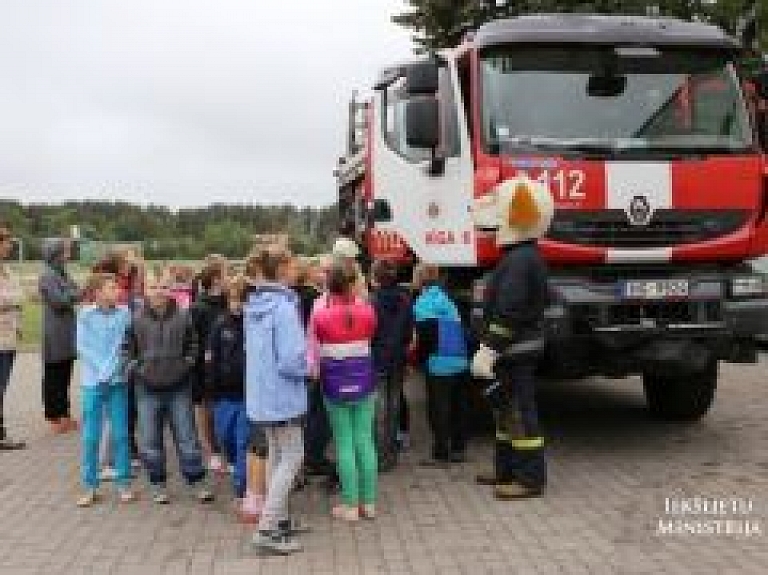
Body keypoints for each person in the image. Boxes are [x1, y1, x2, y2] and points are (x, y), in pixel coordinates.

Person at [471, 176, 554, 499]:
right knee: (506, 413)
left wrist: (489, 350)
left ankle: (530, 479)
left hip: (515, 350)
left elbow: (510, 311)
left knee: (519, 413)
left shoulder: (520, 259)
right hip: (513, 349)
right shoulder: (521, 255)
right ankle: (506, 470)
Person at [122, 271, 214, 505]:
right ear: (145, 290)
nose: (158, 291)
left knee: (187, 438)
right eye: (153, 287)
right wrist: (137, 367)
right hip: (147, 389)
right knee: (150, 440)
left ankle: (195, 480)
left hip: (179, 387)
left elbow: (193, 344)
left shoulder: (184, 316)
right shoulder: (135, 318)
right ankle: (157, 483)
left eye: (163, 286)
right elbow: (127, 349)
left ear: (170, 289)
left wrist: (187, 364)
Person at [245, 248, 309, 555]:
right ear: (282, 270)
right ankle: (268, 528)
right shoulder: (283, 308)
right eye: (293, 264)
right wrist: (308, 366)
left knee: (277, 455)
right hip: (282, 395)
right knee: (293, 456)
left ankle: (280, 519)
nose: (297, 269)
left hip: (262, 394)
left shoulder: (256, 304)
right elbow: (289, 360)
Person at [310, 259, 378, 522]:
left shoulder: (320, 316)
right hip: (364, 380)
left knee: (344, 443)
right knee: (365, 440)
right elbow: (370, 335)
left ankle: (350, 505)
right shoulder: (368, 312)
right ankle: (369, 503)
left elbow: (317, 344)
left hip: (334, 383)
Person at [75, 273, 136, 507]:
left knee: (121, 435)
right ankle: (90, 486)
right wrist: (100, 372)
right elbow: (82, 347)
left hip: (116, 382)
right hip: (93, 383)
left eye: (117, 287)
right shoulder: (85, 315)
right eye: (112, 288)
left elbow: (124, 346)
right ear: (98, 292)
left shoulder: (124, 314)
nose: (117, 291)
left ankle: (123, 483)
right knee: (91, 437)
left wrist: (112, 370)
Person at [412, 263, 469, 466]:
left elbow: (426, 336)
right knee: (458, 405)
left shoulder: (423, 303)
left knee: (439, 408)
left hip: (440, 361)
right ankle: (459, 448)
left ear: (419, 280)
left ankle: (441, 453)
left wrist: (418, 361)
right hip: (460, 357)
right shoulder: (447, 299)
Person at [206, 276, 248, 511]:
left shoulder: (254, 324)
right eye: (233, 300)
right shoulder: (220, 325)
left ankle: (241, 490)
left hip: (247, 395)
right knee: (226, 437)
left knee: (243, 441)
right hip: (223, 395)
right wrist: (210, 387)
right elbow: (210, 358)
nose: (237, 305)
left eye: (242, 300)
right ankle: (234, 464)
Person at [369, 259, 413, 470]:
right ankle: (390, 455)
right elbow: (408, 332)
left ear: (375, 277)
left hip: (377, 358)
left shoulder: (371, 301)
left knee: (379, 408)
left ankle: (378, 456)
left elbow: (369, 332)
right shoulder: (406, 300)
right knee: (394, 406)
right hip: (398, 358)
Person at [190, 259, 229, 473]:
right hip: (203, 368)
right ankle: (211, 450)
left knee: (220, 408)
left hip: (225, 365)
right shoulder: (198, 308)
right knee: (204, 408)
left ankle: (224, 448)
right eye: (226, 274)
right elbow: (192, 339)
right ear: (216, 279)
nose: (229, 278)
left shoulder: (229, 303)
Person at [39, 237, 80, 434]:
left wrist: (72, 294)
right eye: (65, 251)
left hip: (67, 331)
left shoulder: (63, 273)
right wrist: (72, 295)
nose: (68, 255)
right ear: (55, 253)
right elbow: (59, 301)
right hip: (54, 332)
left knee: (65, 374)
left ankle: (65, 413)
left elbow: (78, 291)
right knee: (54, 375)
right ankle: (53, 416)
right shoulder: (48, 276)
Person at [0, 226, 25, 450]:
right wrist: (13, 299)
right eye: (6, 242)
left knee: (3, 386)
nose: (9, 245)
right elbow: (12, 297)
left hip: (9, 338)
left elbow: (20, 296)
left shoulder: (6, 270)